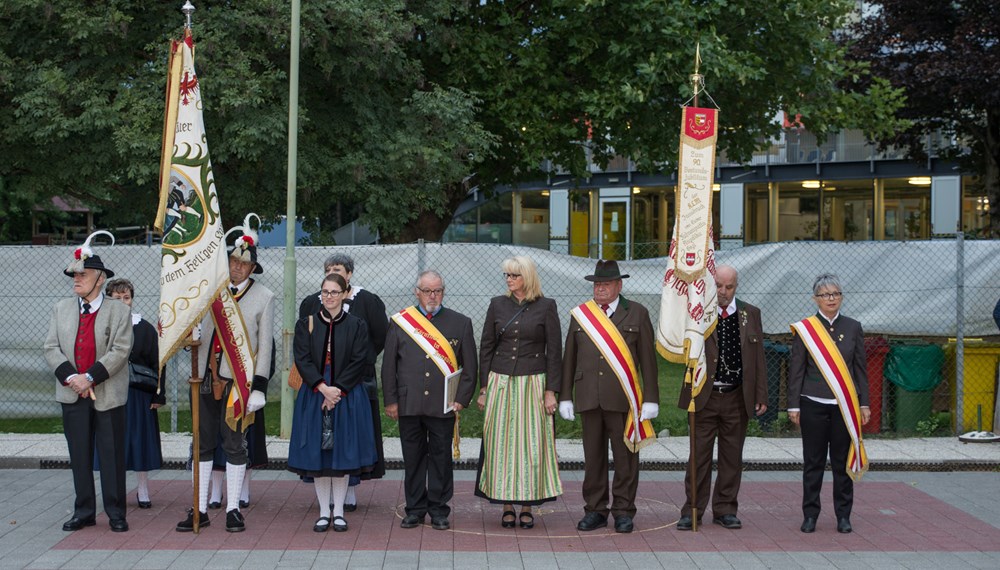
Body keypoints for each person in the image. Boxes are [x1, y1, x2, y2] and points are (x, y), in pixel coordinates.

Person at [176, 223, 274, 533]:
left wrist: (259, 387)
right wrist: (190, 333)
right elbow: (189, 330)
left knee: (234, 444)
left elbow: (266, 346)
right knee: (202, 443)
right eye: (233, 262)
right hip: (205, 375)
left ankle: (233, 508)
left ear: (252, 267)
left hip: (238, 381)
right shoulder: (210, 289)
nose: (237, 268)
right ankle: (200, 507)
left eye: (243, 263)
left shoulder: (264, 296)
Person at [559, 260, 658, 534]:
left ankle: (624, 511)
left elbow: (648, 361)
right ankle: (595, 510)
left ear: (619, 285)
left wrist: (651, 398)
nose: (600, 289)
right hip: (589, 397)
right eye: (596, 284)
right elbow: (570, 358)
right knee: (593, 458)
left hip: (623, 399)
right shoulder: (581, 314)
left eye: (605, 284)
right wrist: (565, 395)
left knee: (626, 458)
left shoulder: (637, 313)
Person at [43, 231, 132, 532]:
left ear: (100, 279)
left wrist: (91, 377)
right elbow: (51, 347)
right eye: (74, 275)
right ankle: (84, 511)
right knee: (79, 454)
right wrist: (72, 378)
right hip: (72, 393)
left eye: (83, 274)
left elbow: (121, 350)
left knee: (111, 454)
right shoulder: (61, 309)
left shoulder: (119, 310)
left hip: (107, 394)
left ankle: (116, 511)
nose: (76, 279)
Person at [382, 270, 477, 531]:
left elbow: (470, 367)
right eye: (427, 291)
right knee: (412, 458)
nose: (433, 296)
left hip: (443, 404)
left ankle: (438, 509)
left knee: (440, 458)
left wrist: (461, 399)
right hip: (408, 403)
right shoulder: (401, 322)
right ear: (417, 292)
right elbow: (389, 365)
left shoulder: (461, 322)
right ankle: (414, 509)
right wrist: (391, 400)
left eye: (438, 290)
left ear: (443, 291)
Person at [676, 265, 767, 531]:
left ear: (736, 286)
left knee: (731, 457)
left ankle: (725, 509)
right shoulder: (697, 314)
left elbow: (758, 358)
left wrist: (761, 394)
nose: (723, 292)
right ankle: (692, 509)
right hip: (704, 396)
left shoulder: (751, 314)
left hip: (737, 397)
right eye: (718, 286)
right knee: (699, 457)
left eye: (729, 287)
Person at [474, 255, 562, 529]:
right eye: (507, 275)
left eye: (515, 275)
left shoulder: (546, 306)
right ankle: (507, 505)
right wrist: (485, 387)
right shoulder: (497, 305)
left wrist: (551, 391)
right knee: (501, 444)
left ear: (528, 277)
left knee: (531, 444)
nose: (509, 279)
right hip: (500, 381)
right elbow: (486, 346)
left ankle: (527, 505)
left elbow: (554, 352)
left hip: (533, 383)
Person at [288, 273, 378, 532]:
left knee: (341, 455)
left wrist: (337, 391)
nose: (329, 297)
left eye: (334, 292)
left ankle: (338, 511)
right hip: (315, 391)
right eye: (325, 292)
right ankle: (322, 511)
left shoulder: (357, 325)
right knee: (319, 455)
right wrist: (322, 387)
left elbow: (359, 360)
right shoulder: (305, 324)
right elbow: (302, 359)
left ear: (345, 293)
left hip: (346, 395)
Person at [299, 253, 388, 510]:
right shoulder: (310, 304)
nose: (331, 272)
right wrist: (322, 384)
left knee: (351, 437)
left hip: (354, 381)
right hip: (319, 383)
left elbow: (380, 336)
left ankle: (349, 490)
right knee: (323, 439)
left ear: (349, 275)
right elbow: (304, 346)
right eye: (327, 269)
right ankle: (325, 497)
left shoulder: (368, 301)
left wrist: (356, 368)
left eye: (337, 269)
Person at [788, 273, 871, 534]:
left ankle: (843, 516)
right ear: (816, 299)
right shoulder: (806, 329)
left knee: (840, 463)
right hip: (812, 403)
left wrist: (864, 403)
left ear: (841, 297)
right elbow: (796, 370)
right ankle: (810, 514)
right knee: (812, 462)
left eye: (835, 293)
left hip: (843, 406)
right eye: (825, 294)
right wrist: (793, 405)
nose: (831, 298)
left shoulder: (853, 326)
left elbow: (860, 370)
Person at [103, 278, 165, 509]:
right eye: (116, 298)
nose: (122, 302)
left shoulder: (145, 328)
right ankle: (114, 491)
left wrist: (159, 395)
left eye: (126, 298)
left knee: (139, 442)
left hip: (138, 394)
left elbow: (159, 362)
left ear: (132, 299)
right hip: (109, 392)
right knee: (112, 442)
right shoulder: (102, 326)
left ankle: (143, 489)